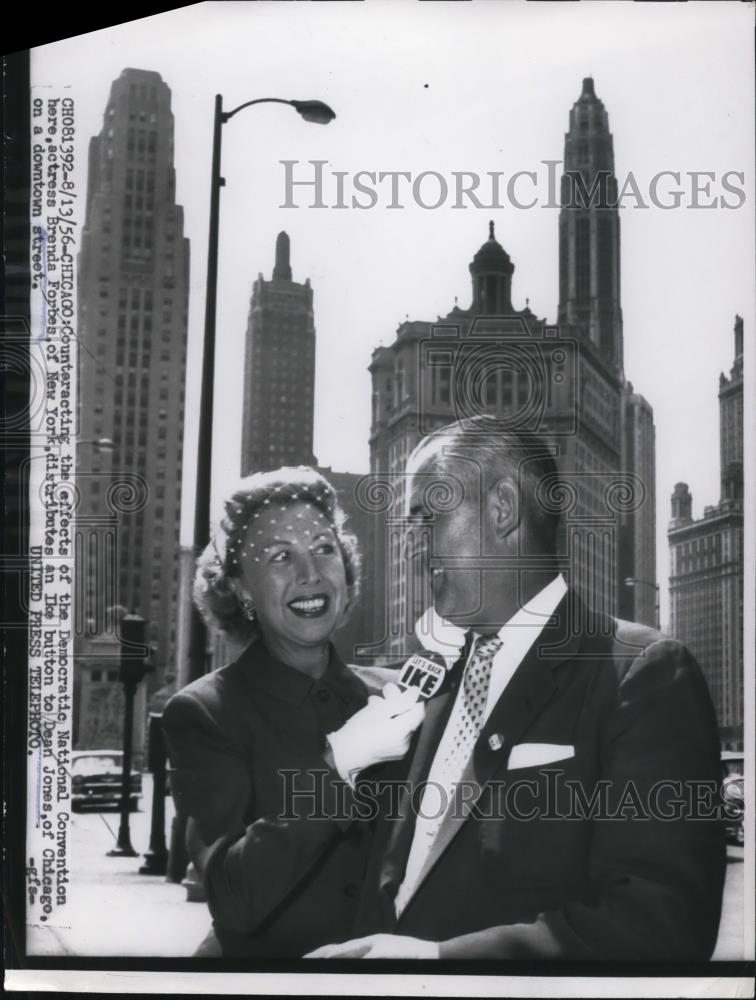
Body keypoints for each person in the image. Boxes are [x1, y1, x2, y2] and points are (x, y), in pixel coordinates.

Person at [308, 420, 726, 960]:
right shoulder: (432, 684)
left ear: (502, 508)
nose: (411, 545)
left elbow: (659, 926)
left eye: (428, 517)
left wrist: (437, 962)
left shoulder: (642, 674)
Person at [162, 467, 424, 958]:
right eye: (281, 556)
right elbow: (231, 896)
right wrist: (338, 768)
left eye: (324, 549)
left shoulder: (400, 695)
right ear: (240, 588)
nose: (310, 574)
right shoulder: (205, 713)